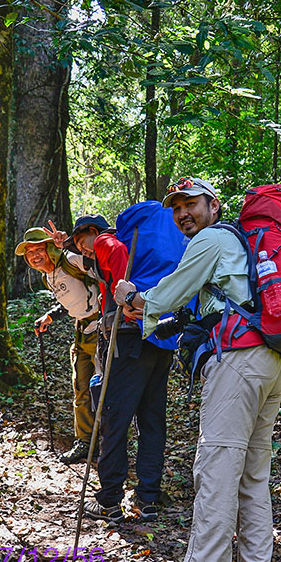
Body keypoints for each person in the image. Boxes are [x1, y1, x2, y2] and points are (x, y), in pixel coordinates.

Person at [114, 177, 281, 562]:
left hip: (238, 362)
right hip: (270, 361)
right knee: (252, 475)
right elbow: (206, 304)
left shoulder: (210, 239)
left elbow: (169, 292)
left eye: (191, 204)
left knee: (217, 472)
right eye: (176, 208)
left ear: (213, 205)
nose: (183, 213)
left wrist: (133, 296)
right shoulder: (241, 241)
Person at [70, 207, 182, 524]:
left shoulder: (105, 241)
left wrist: (125, 295)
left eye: (82, 241)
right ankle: (148, 498)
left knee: (114, 419)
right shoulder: (142, 249)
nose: (83, 248)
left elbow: (117, 258)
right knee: (151, 420)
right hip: (159, 336)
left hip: (128, 338)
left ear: (94, 232)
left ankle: (109, 501)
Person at [16, 225, 102, 465]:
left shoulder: (71, 260)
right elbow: (71, 300)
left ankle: (110, 442)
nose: (34, 256)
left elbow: (102, 271)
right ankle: (85, 442)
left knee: (102, 388)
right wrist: (51, 316)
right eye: (29, 252)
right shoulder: (47, 277)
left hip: (101, 328)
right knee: (81, 389)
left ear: (50, 249)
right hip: (81, 332)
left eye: (39, 249)